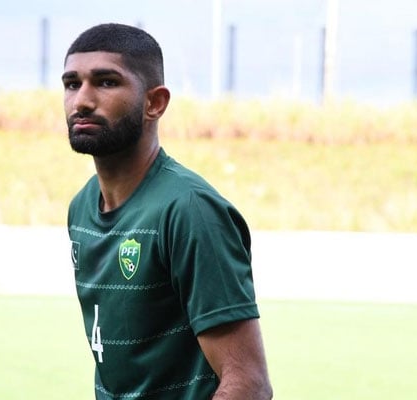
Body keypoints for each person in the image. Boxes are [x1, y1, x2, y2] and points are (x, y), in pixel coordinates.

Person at [63, 23, 273, 399]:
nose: (82, 100)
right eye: (72, 83)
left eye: (107, 82)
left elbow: (248, 384)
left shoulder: (189, 211)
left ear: (154, 103)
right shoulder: (82, 207)